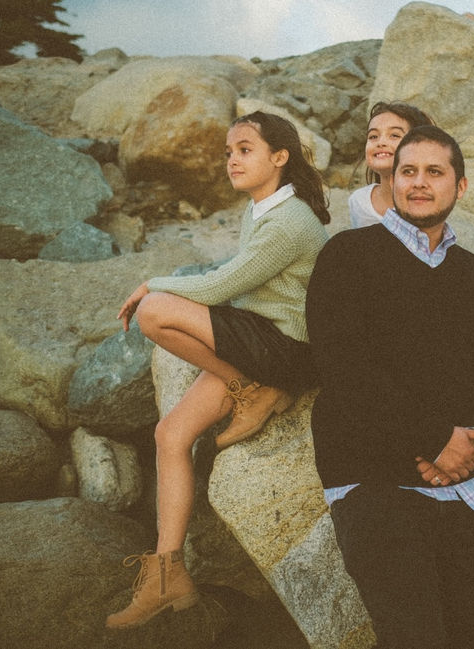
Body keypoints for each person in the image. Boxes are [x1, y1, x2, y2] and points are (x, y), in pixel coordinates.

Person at [106, 111, 331, 629]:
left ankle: (251, 386)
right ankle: (170, 574)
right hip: (260, 342)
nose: (233, 159)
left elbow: (219, 287)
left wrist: (150, 284)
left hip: (287, 349)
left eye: (245, 149)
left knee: (156, 312)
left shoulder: (290, 219)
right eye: (229, 151)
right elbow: (235, 282)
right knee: (170, 433)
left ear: (280, 157)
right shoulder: (261, 210)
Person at [306, 125, 474, 649]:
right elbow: (344, 367)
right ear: (391, 178)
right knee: (413, 638)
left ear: (460, 187)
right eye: (408, 171)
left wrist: (470, 446)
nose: (419, 183)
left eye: (434, 172)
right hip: (375, 481)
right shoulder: (348, 256)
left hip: (467, 488)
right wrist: (432, 442)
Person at [348, 100, 434, 228]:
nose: (380, 142)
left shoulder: (425, 203)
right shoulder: (359, 202)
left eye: (394, 135)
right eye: (373, 136)